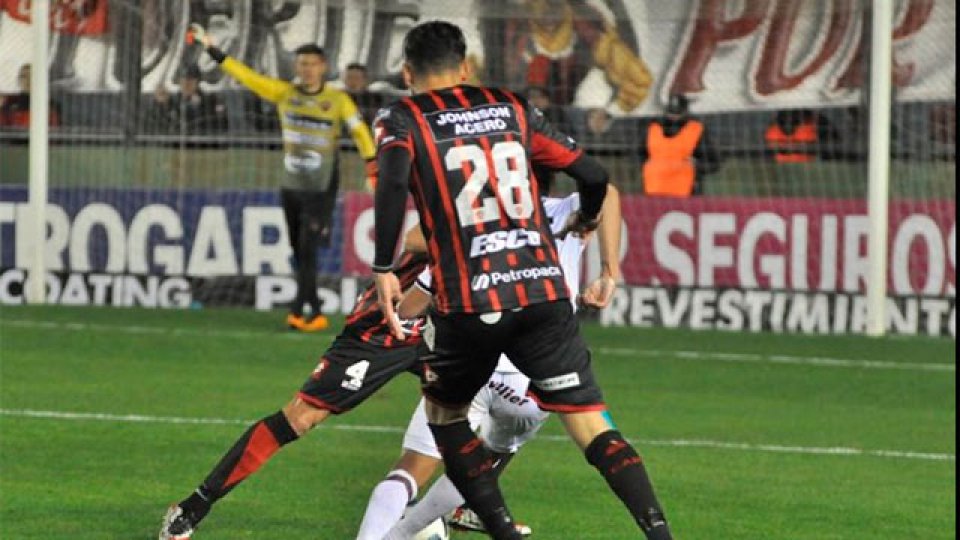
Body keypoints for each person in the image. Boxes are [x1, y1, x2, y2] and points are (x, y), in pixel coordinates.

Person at [372, 20, 673, 540]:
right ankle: (660, 532)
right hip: (542, 295)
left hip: (475, 300)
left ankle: (493, 529)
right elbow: (598, 177)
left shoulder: (406, 117)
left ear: (406, 73)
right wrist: (591, 221)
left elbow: (396, 187)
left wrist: (383, 270)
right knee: (594, 427)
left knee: (446, 418)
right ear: (465, 68)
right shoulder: (511, 108)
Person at [356, 183, 623, 539]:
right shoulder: (565, 216)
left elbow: (410, 287)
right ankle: (439, 518)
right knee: (487, 461)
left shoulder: (471, 227)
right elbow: (605, 191)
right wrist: (608, 271)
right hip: (533, 382)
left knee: (409, 470)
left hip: (470, 367)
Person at [158, 246, 433, 540]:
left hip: (446, 322)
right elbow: (415, 238)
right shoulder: (457, 204)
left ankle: (458, 501)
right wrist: (458, 245)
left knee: (474, 397)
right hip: (388, 323)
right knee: (301, 418)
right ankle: (193, 507)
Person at [189, 24, 377, 332]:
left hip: (322, 186)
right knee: (298, 248)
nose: (307, 69)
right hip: (291, 184)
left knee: (307, 245)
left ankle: (300, 311)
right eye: (302, 64)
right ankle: (312, 308)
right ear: (297, 67)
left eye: (313, 64)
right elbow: (246, 76)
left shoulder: (338, 100)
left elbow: (359, 130)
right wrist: (211, 49)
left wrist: (372, 165)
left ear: (323, 68)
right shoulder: (284, 94)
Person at [640, 94, 719, 197]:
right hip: (653, 190)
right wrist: (648, 165)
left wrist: (696, 165)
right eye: (671, 113)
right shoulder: (653, 128)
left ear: (685, 112)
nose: (673, 117)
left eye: (677, 113)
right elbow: (638, 154)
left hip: (686, 193)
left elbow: (714, 162)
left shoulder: (696, 130)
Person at [144, 65, 227, 134]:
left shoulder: (210, 101)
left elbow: (220, 126)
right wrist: (161, 105)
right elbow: (155, 125)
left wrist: (199, 107)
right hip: (174, 146)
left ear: (198, 82)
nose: (186, 85)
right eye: (183, 81)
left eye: (190, 81)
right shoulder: (172, 101)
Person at [764, 108, 838, 163]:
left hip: (812, 169)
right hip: (782, 171)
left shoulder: (819, 122)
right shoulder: (773, 128)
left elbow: (833, 149)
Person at [0, 64, 61, 128]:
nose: (28, 80)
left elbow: (54, 130)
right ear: (19, 80)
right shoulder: (10, 103)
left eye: (32, 76)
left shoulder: (49, 105)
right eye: (23, 76)